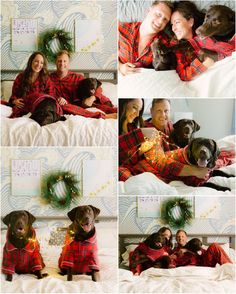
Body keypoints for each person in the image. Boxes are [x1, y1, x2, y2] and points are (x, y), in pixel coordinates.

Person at [171, 1, 235, 81]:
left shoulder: (212, 34)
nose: (173, 28)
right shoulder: (175, 46)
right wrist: (205, 63)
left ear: (190, 21)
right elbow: (183, 75)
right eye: (171, 24)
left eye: (177, 22)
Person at [119, 1, 173, 75]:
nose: (160, 21)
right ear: (149, 10)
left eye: (165, 19)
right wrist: (120, 66)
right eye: (158, 14)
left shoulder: (164, 43)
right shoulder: (121, 29)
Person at [9, 51, 54, 117]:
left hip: (39, 108)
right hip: (23, 107)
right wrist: (14, 101)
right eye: (36, 61)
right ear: (31, 62)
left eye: (41, 63)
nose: (39, 64)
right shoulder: (20, 77)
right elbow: (14, 95)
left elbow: (51, 96)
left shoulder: (46, 79)